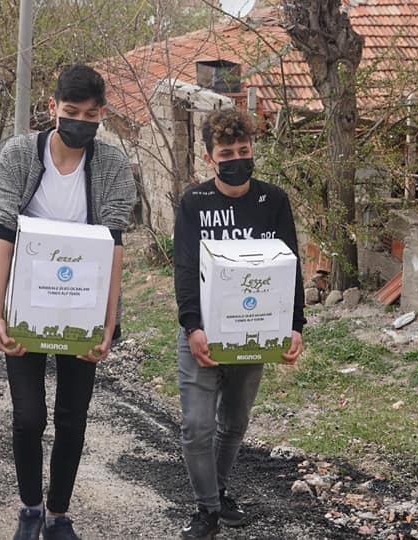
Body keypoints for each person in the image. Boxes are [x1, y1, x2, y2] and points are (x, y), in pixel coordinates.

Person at [0, 64, 136, 540]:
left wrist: (110, 323)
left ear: (102, 114)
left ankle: (58, 515)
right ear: (53, 108)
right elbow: (4, 230)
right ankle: (30, 508)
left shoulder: (112, 165)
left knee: (73, 415)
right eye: (71, 112)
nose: (80, 122)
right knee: (29, 416)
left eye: (91, 114)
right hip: (24, 302)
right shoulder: (19, 154)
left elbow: (114, 244)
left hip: (83, 305)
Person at [172, 108, 306, 539]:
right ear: (210, 158)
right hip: (204, 334)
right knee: (197, 426)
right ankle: (207, 509)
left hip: (256, 331)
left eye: (243, 150)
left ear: (253, 151)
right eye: (226, 152)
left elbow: (291, 267)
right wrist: (192, 327)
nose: (236, 159)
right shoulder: (195, 203)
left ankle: (218, 490)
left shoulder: (274, 201)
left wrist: (295, 325)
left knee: (234, 424)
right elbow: (185, 269)